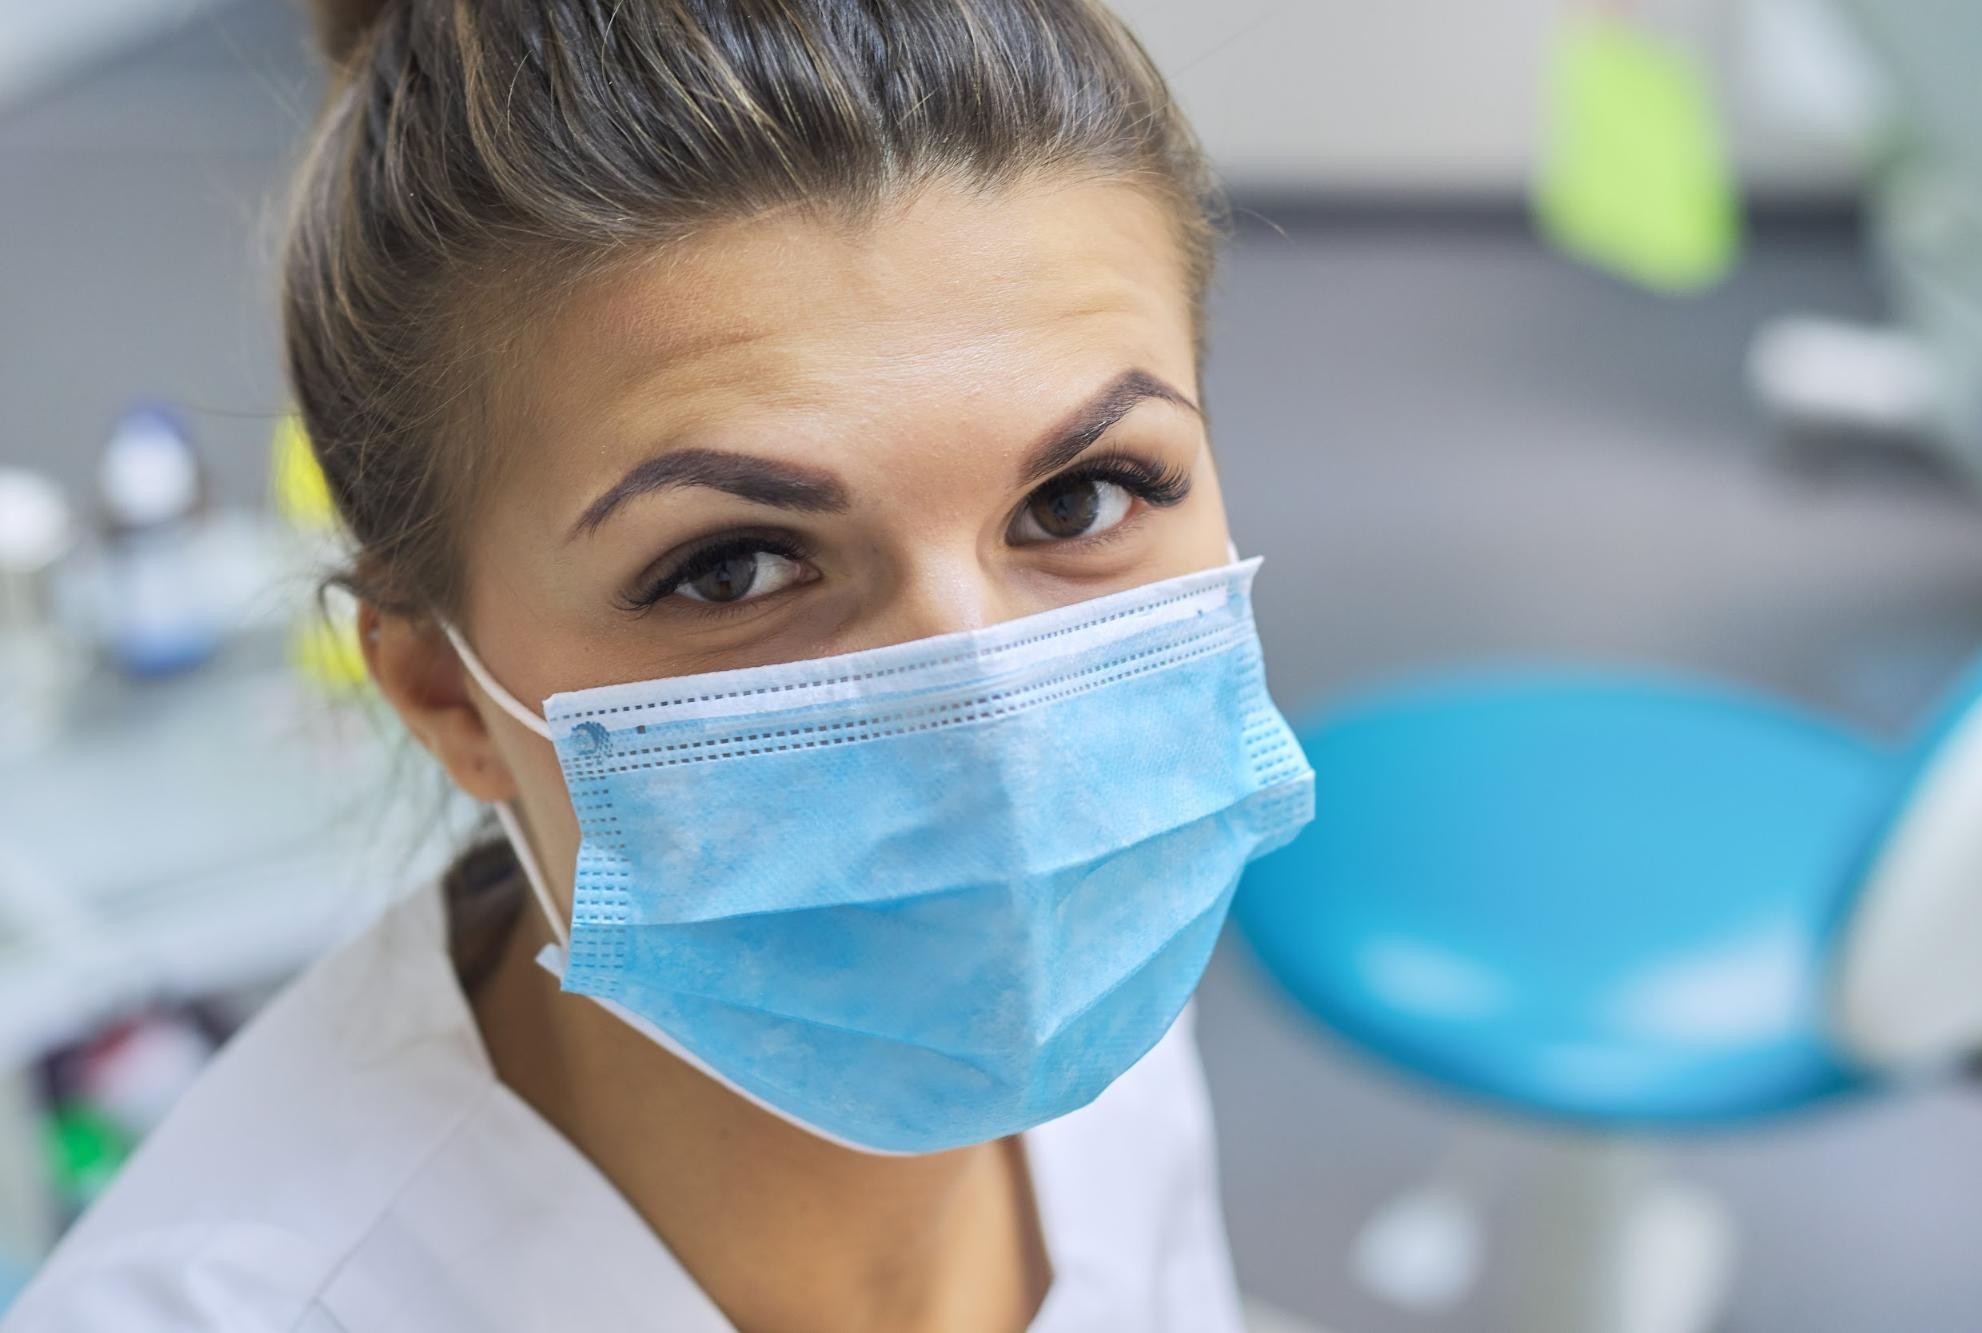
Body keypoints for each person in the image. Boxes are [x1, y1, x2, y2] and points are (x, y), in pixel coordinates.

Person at [4, 1, 1314, 1328]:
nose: (1003, 745)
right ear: (443, 690)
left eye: (1084, 497)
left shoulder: (1109, 990)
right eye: (731, 568)